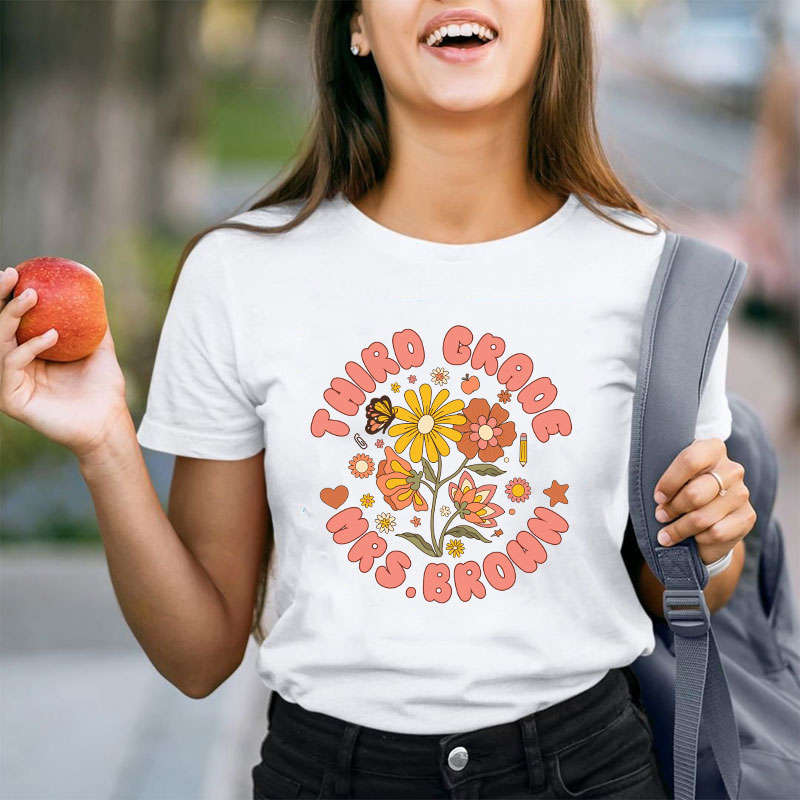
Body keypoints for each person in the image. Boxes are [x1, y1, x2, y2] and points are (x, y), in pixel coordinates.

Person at [0, 2, 757, 798]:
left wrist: (712, 541)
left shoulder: (658, 278)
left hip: (591, 768)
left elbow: (685, 589)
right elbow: (197, 659)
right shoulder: (240, 277)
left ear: (552, 20)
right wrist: (105, 445)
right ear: (356, 26)